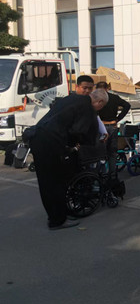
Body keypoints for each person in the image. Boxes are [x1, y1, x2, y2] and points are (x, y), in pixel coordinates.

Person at [29, 89, 108, 230]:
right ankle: (57, 220)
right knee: (56, 182)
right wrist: (77, 144)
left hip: (37, 136)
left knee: (47, 182)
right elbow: (79, 131)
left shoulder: (71, 98)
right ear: (99, 102)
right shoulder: (87, 107)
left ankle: (59, 215)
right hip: (51, 142)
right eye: (101, 107)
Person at [95, 81, 131, 180]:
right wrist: (118, 118)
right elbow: (127, 105)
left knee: (101, 153)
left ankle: (101, 175)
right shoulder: (114, 97)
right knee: (112, 152)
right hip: (113, 126)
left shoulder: (96, 99)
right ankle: (113, 175)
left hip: (101, 127)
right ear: (107, 88)